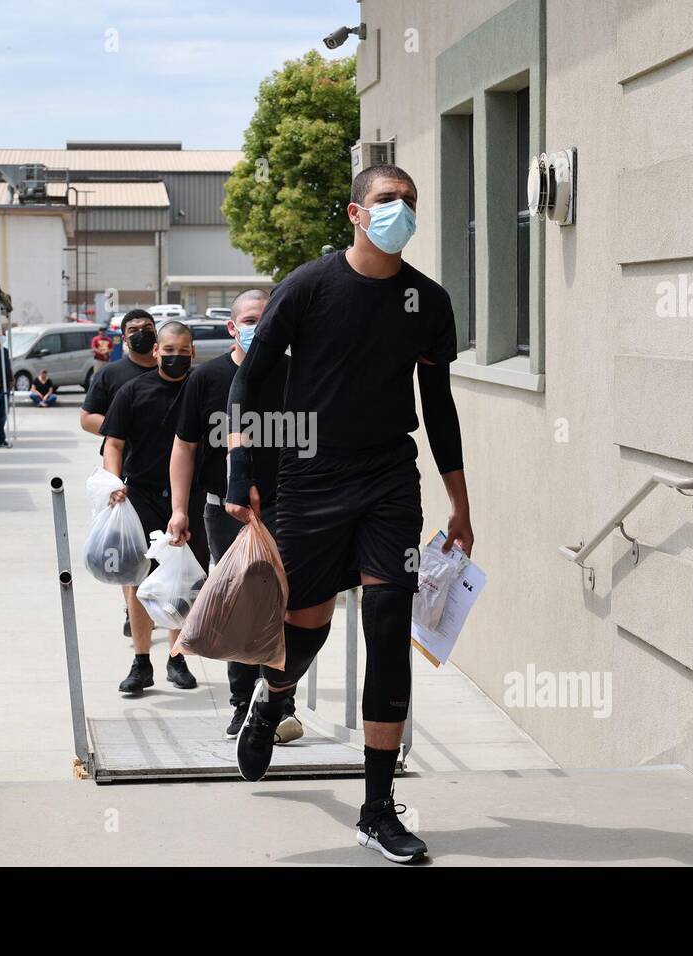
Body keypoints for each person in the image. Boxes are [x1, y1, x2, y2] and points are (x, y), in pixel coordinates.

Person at [225, 164, 473, 864]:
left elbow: (441, 408)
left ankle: (376, 810)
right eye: (388, 201)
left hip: (390, 479)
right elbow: (252, 376)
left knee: (389, 626)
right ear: (356, 213)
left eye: (410, 202)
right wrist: (243, 466)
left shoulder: (428, 301)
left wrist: (459, 502)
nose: (401, 211)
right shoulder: (310, 286)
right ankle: (274, 700)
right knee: (305, 630)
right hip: (312, 478)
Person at [167, 289, 300, 741]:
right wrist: (178, 509)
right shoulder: (207, 380)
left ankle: (280, 701)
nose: (256, 326)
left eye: (264, 319)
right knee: (237, 604)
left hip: (286, 508)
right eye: (248, 319)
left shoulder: (293, 375)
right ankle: (243, 702)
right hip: (224, 512)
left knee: (285, 603)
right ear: (231, 326)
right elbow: (184, 447)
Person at [100, 321, 210, 694]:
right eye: (169, 351)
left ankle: (177, 658)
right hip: (141, 496)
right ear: (156, 351)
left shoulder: (203, 390)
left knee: (184, 582)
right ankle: (141, 661)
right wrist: (113, 484)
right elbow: (113, 445)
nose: (175, 357)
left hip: (192, 497)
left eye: (183, 351)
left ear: (192, 352)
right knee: (138, 582)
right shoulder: (132, 391)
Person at [80, 309, 159, 641]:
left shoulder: (170, 371)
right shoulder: (112, 374)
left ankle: (158, 609)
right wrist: (124, 430)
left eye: (147, 328)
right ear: (123, 337)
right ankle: (133, 608)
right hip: (121, 475)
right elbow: (87, 418)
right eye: (134, 328)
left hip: (163, 473)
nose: (141, 332)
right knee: (128, 550)